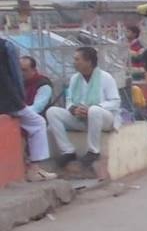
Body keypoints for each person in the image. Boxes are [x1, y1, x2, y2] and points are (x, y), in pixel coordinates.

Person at [46, 47, 121, 172]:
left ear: (89, 62)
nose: (74, 62)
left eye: (77, 59)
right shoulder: (75, 79)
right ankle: (68, 151)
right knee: (52, 112)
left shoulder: (105, 77)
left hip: (104, 119)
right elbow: (69, 101)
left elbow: (115, 101)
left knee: (94, 111)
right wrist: (74, 109)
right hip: (80, 118)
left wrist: (93, 108)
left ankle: (93, 151)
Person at [1, 40, 55, 182]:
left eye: (25, 70)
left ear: (33, 70)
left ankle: (34, 168)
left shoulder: (43, 84)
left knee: (35, 122)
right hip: (8, 102)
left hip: (13, 104)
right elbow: (11, 77)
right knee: (38, 123)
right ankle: (34, 169)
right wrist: (18, 101)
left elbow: (38, 107)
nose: (22, 73)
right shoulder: (5, 46)